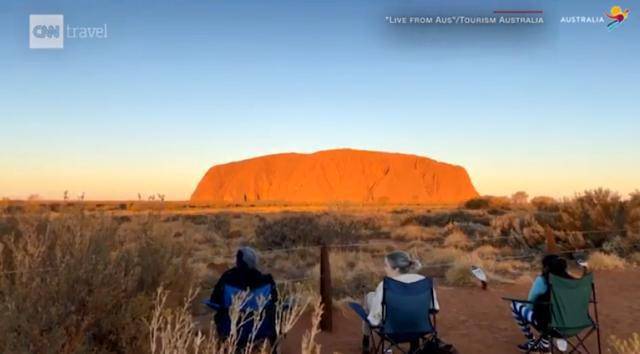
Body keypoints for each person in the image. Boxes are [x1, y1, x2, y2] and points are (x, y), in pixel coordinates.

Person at [362, 251, 440, 349]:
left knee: (370, 296)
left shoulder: (385, 286)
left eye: (386, 265)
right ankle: (414, 345)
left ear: (396, 269)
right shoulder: (424, 282)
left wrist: (373, 321)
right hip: (420, 329)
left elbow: (375, 320)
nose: (384, 268)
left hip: (392, 331)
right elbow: (434, 308)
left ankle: (366, 340)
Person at [209, 247, 278, 342]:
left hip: (230, 329)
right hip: (261, 329)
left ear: (239, 261)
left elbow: (214, 300)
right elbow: (275, 301)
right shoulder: (266, 281)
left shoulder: (227, 279)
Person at [509, 254, 573, 352]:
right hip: (572, 325)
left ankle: (532, 342)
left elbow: (530, 303)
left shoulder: (542, 281)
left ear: (546, 268)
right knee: (548, 312)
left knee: (515, 305)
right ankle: (545, 344)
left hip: (549, 325)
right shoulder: (572, 283)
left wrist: (528, 313)